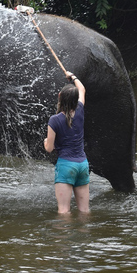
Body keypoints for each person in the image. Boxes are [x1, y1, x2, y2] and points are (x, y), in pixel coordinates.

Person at [43, 71, 89, 214]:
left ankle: (63, 236)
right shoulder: (80, 110)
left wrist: (46, 141)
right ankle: (86, 235)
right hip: (83, 164)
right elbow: (82, 89)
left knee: (63, 211)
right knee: (85, 210)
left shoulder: (54, 120)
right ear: (76, 100)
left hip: (66, 166)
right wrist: (73, 76)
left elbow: (49, 148)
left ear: (59, 97)